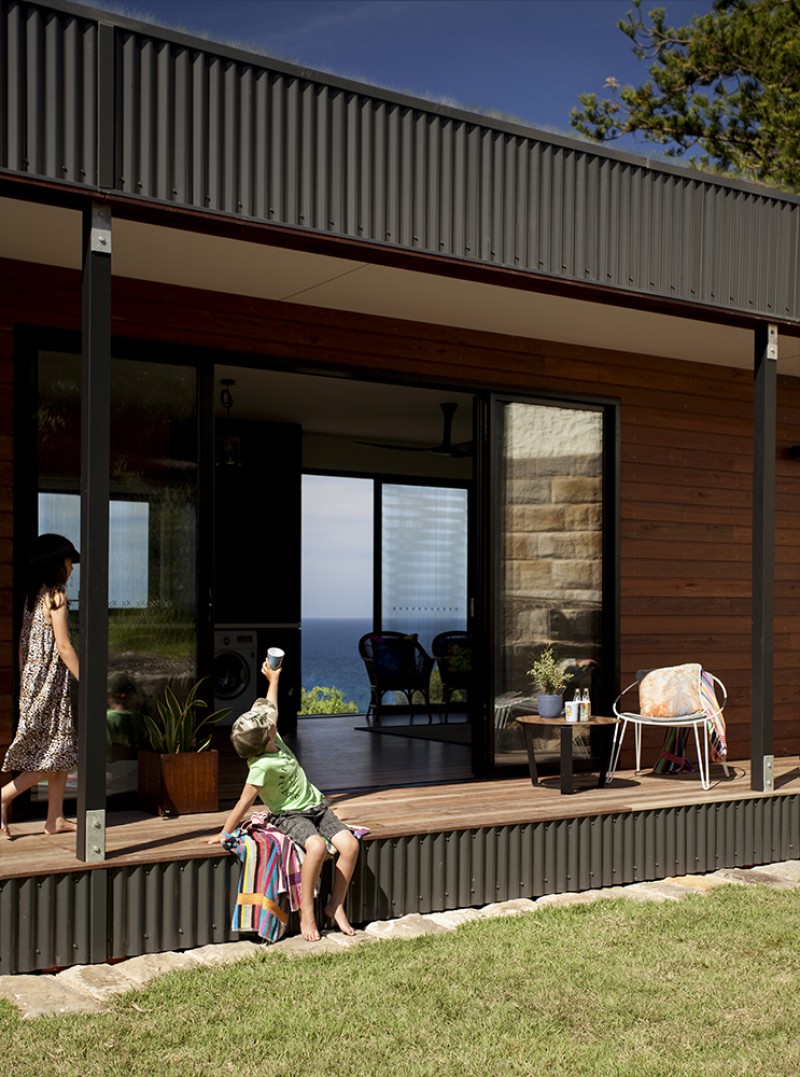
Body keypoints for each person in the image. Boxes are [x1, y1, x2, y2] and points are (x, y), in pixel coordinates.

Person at [209, 660, 360, 941]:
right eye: (269, 728)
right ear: (263, 740)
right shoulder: (261, 766)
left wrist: (274, 680)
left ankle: (335, 904)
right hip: (290, 816)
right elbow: (243, 803)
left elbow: (271, 708)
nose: (273, 726)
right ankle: (306, 911)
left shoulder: (272, 740)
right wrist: (225, 832)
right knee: (315, 847)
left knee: (349, 845)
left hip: (316, 806)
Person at [1, 534, 81, 839]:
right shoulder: (56, 596)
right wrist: (87, 680)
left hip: (34, 684)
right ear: (55, 565)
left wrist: (25, 684)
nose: (71, 567)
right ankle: (4, 796)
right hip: (50, 686)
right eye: (67, 561)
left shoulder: (33, 596)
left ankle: (55, 817)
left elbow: (24, 642)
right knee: (48, 756)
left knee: (59, 748)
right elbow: (64, 646)